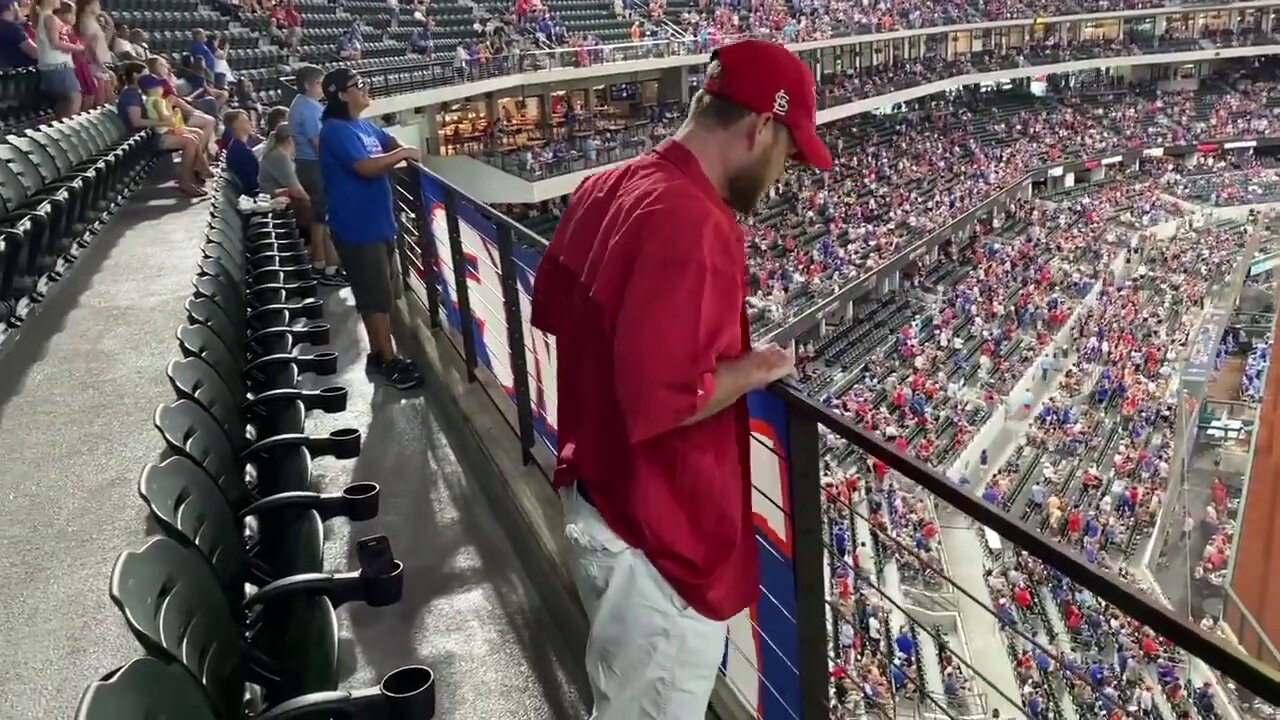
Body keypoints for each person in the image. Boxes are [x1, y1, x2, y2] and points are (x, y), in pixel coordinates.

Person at [528, 38, 829, 718]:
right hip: (652, 541)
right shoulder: (691, 219)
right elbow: (663, 396)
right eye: (788, 151)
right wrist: (758, 367)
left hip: (599, 500)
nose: (785, 172)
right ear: (759, 127)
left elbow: (552, 310)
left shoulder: (609, 184)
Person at [318, 67, 423, 389]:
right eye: (358, 84)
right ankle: (388, 361)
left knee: (381, 292)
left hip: (378, 222)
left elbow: (388, 140)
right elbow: (364, 167)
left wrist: (398, 147)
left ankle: (380, 353)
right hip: (357, 226)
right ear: (341, 94)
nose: (365, 88)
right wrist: (403, 154)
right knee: (375, 297)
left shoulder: (363, 125)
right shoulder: (335, 130)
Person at [289, 64, 345, 285]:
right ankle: (330, 270)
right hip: (315, 166)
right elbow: (318, 143)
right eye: (319, 83)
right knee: (327, 218)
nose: (323, 88)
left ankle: (320, 263)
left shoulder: (299, 105)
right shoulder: (310, 109)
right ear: (308, 84)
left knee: (318, 219)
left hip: (306, 165)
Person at [119, 64, 206, 196]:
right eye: (145, 73)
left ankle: (194, 173)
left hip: (150, 133)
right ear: (136, 76)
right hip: (144, 138)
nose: (148, 75)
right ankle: (186, 181)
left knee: (196, 134)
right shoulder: (131, 95)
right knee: (190, 141)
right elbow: (136, 121)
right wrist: (163, 121)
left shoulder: (138, 93)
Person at [33, 0, 81, 117]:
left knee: (63, 103)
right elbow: (55, 43)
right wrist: (77, 48)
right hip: (58, 67)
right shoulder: (50, 18)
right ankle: (67, 132)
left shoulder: (44, 16)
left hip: (52, 67)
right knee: (74, 100)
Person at [223, 108, 259, 195]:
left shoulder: (238, 146)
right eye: (244, 120)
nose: (249, 122)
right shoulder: (239, 151)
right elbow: (251, 184)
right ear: (235, 125)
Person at [0, 0, 36, 69]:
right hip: (21, 74)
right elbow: (34, 53)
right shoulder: (11, 28)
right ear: (12, 7)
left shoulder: (5, 26)